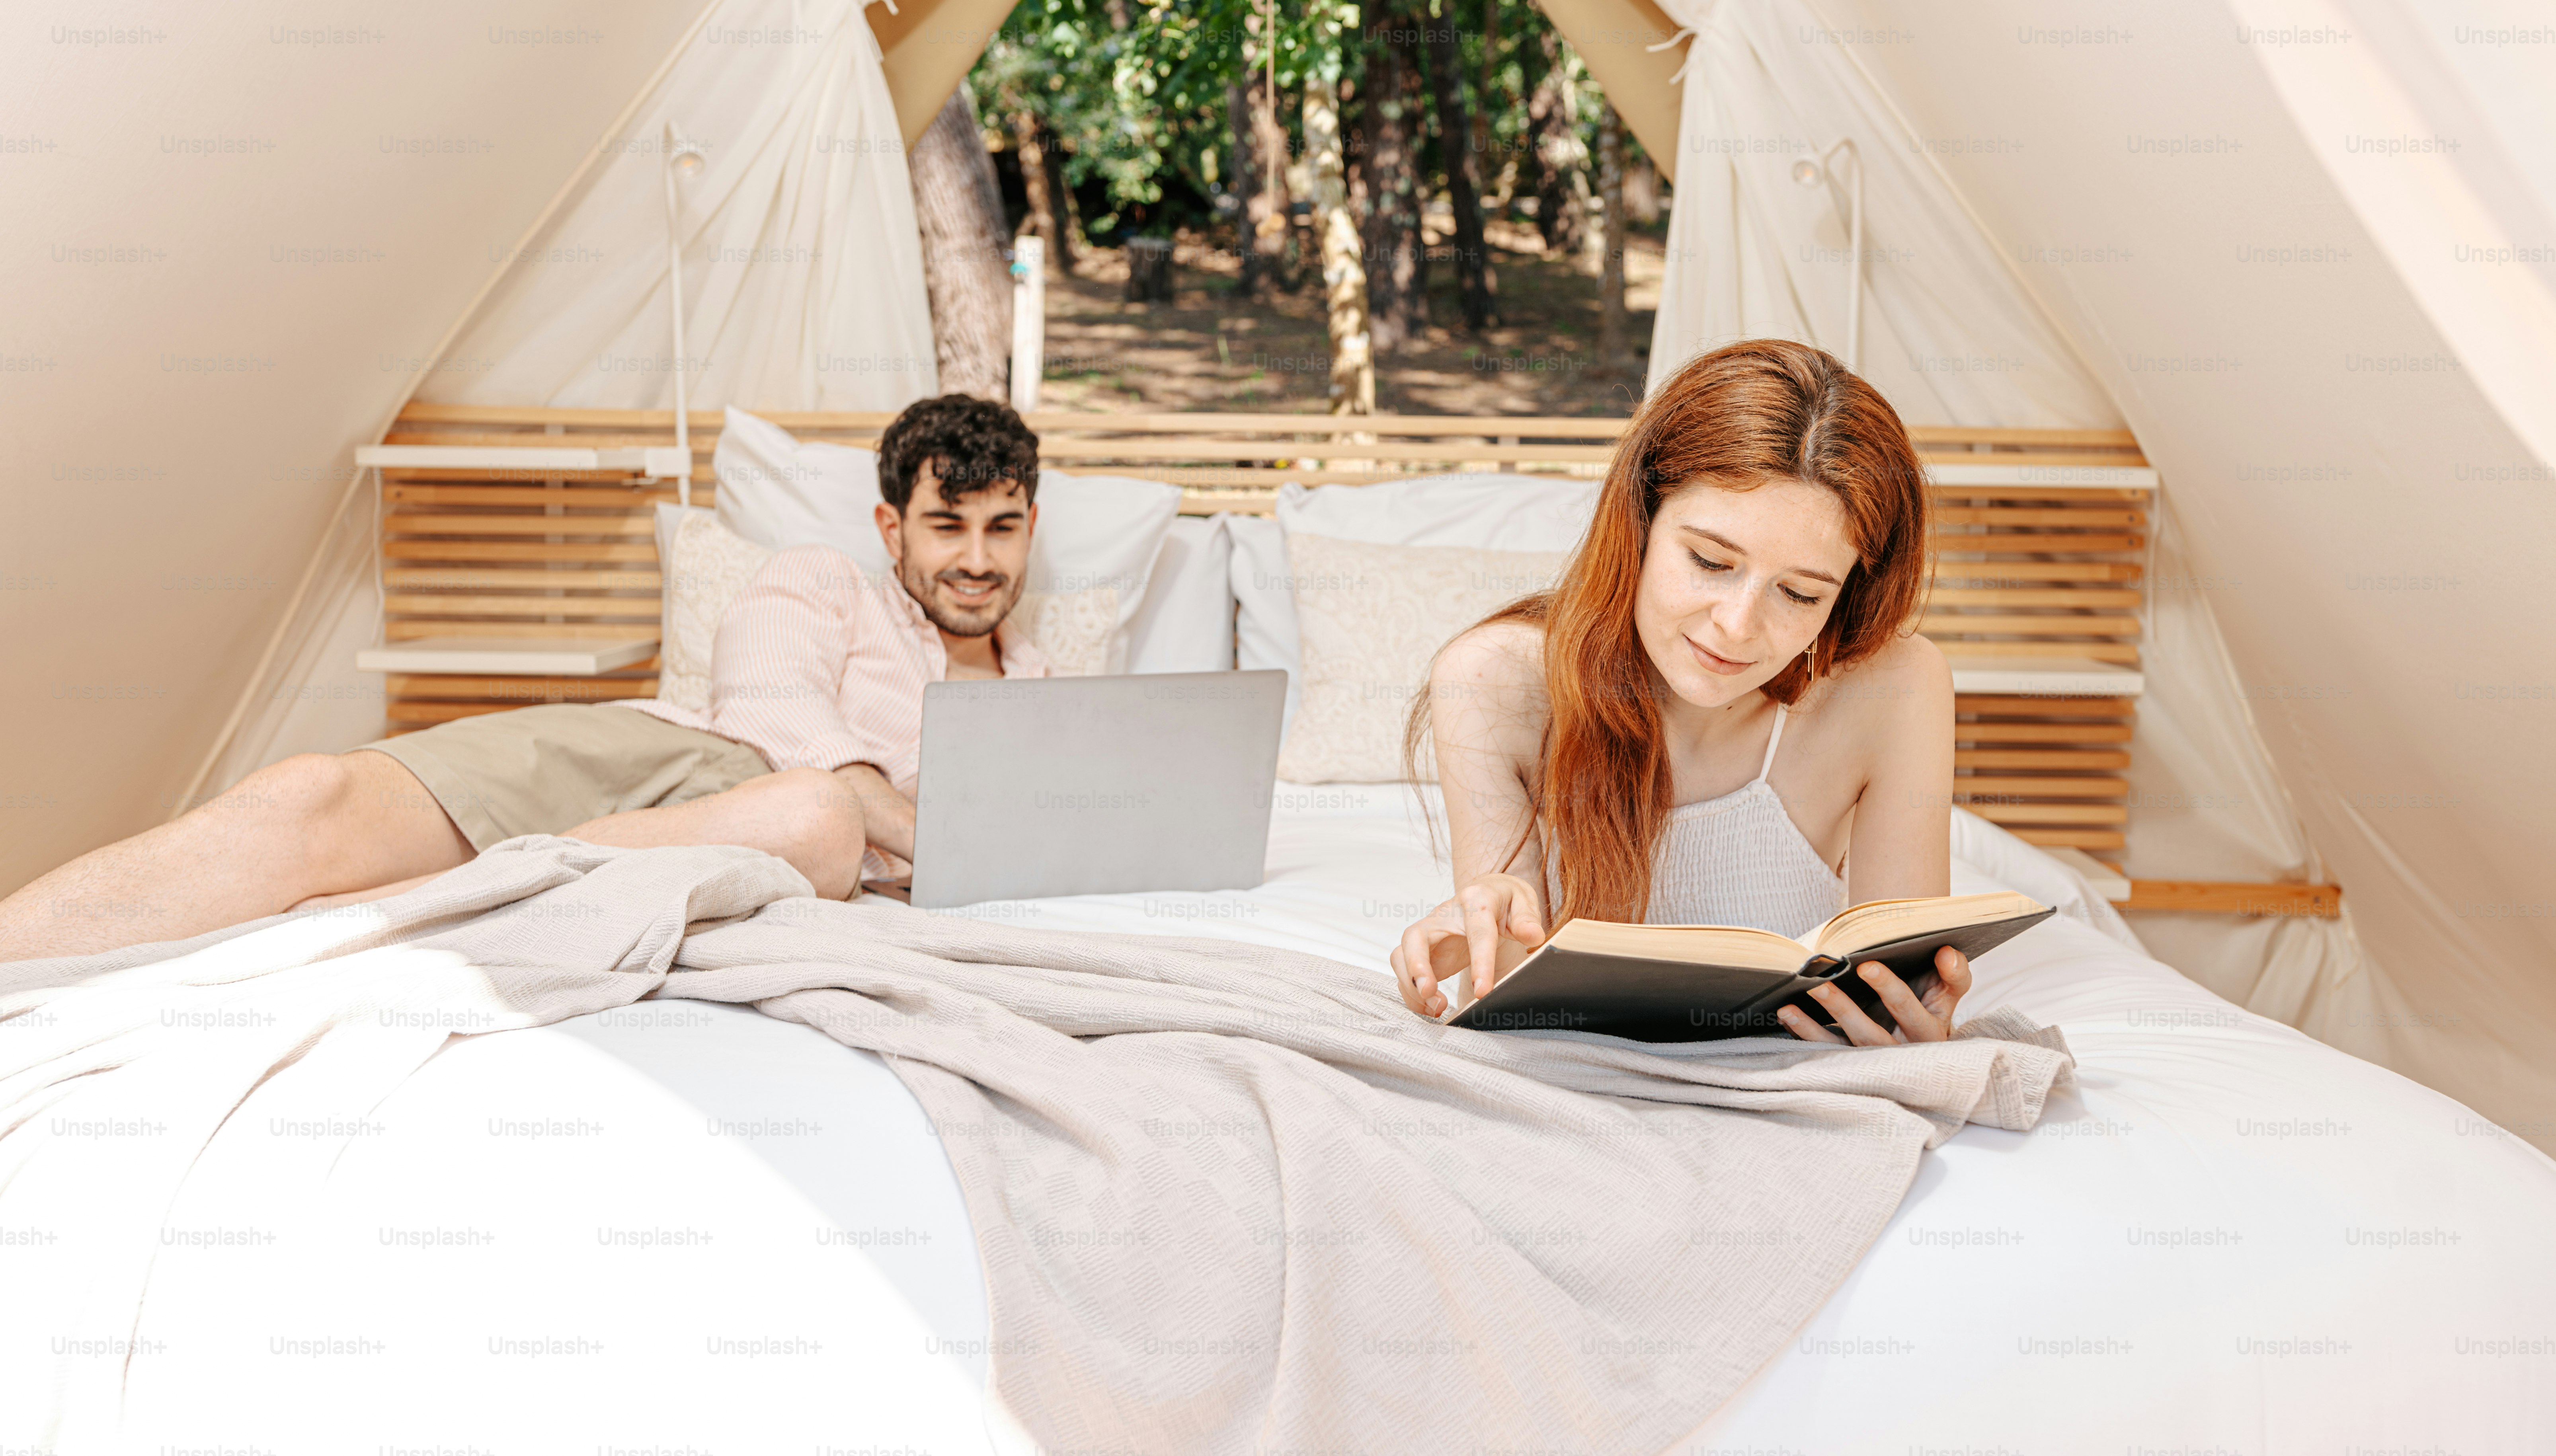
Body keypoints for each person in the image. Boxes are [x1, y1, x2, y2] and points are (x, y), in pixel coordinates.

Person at [0, 394, 1048, 962]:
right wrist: (932, 834)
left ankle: (330, 930)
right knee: (310, 796)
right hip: (672, 764)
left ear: (1031, 530)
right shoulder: (820, 578)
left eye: (1002, 527)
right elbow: (768, 706)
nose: (975, 558)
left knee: (816, 821)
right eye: (945, 524)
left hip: (782, 845)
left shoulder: (1044, 693)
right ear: (891, 526)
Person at [1391, 339, 1968, 1047]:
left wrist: (1912, 1025)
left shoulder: (1894, 686)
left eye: (1798, 592)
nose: (1737, 626)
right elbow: (1517, 1019)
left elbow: (1897, 985)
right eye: (1709, 561)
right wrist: (1490, 919)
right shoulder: (1494, 682)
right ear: (1637, 522)